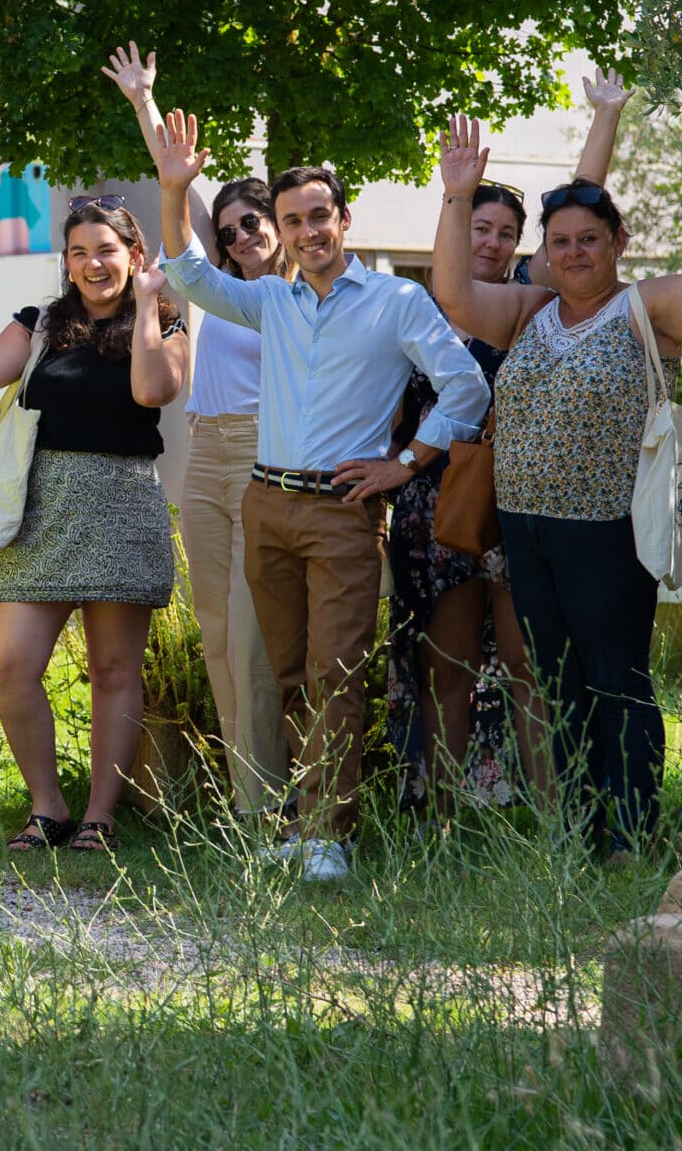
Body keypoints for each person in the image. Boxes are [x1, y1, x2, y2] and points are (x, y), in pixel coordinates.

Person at [153, 113, 490, 882]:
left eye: (318, 217)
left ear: (344, 220)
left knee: (337, 670)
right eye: (291, 221)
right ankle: (305, 824)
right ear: (280, 230)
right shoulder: (273, 302)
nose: (307, 232)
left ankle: (330, 837)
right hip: (264, 504)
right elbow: (188, 272)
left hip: (342, 512)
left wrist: (405, 462)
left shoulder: (395, 302)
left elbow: (465, 386)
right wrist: (175, 188)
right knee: (291, 673)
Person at [432, 108, 682, 859]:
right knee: (558, 687)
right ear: (547, 251)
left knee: (616, 682)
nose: (574, 253)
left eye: (590, 240)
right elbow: (454, 298)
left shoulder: (648, 309)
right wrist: (456, 198)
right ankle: (580, 831)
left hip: (608, 532)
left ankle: (629, 836)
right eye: (562, 241)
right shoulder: (531, 309)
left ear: (618, 244)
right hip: (525, 531)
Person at [384, 74, 626, 813]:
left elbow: (581, 207)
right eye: (476, 227)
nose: (489, 241)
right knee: (447, 665)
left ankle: (552, 817)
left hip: (523, 497)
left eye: (502, 232)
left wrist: (605, 119)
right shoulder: (414, 307)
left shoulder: (535, 298)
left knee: (530, 665)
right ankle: (446, 819)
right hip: (441, 505)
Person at [0, 199, 191, 852]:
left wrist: (147, 305)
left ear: (134, 256)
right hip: (42, 507)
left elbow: (152, 392)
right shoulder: (38, 324)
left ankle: (100, 815)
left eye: (107, 250)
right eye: (80, 252)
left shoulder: (168, 323)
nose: (93, 263)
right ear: (66, 261)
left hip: (121, 502)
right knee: (11, 661)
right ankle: (46, 806)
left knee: (114, 670)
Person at [100, 44, 284, 816]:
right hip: (205, 452)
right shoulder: (211, 285)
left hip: (261, 454)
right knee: (214, 634)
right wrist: (144, 101)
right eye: (233, 228)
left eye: (256, 225)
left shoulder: (295, 294)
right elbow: (179, 181)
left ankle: (267, 803)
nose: (242, 237)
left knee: (251, 639)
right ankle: (247, 803)